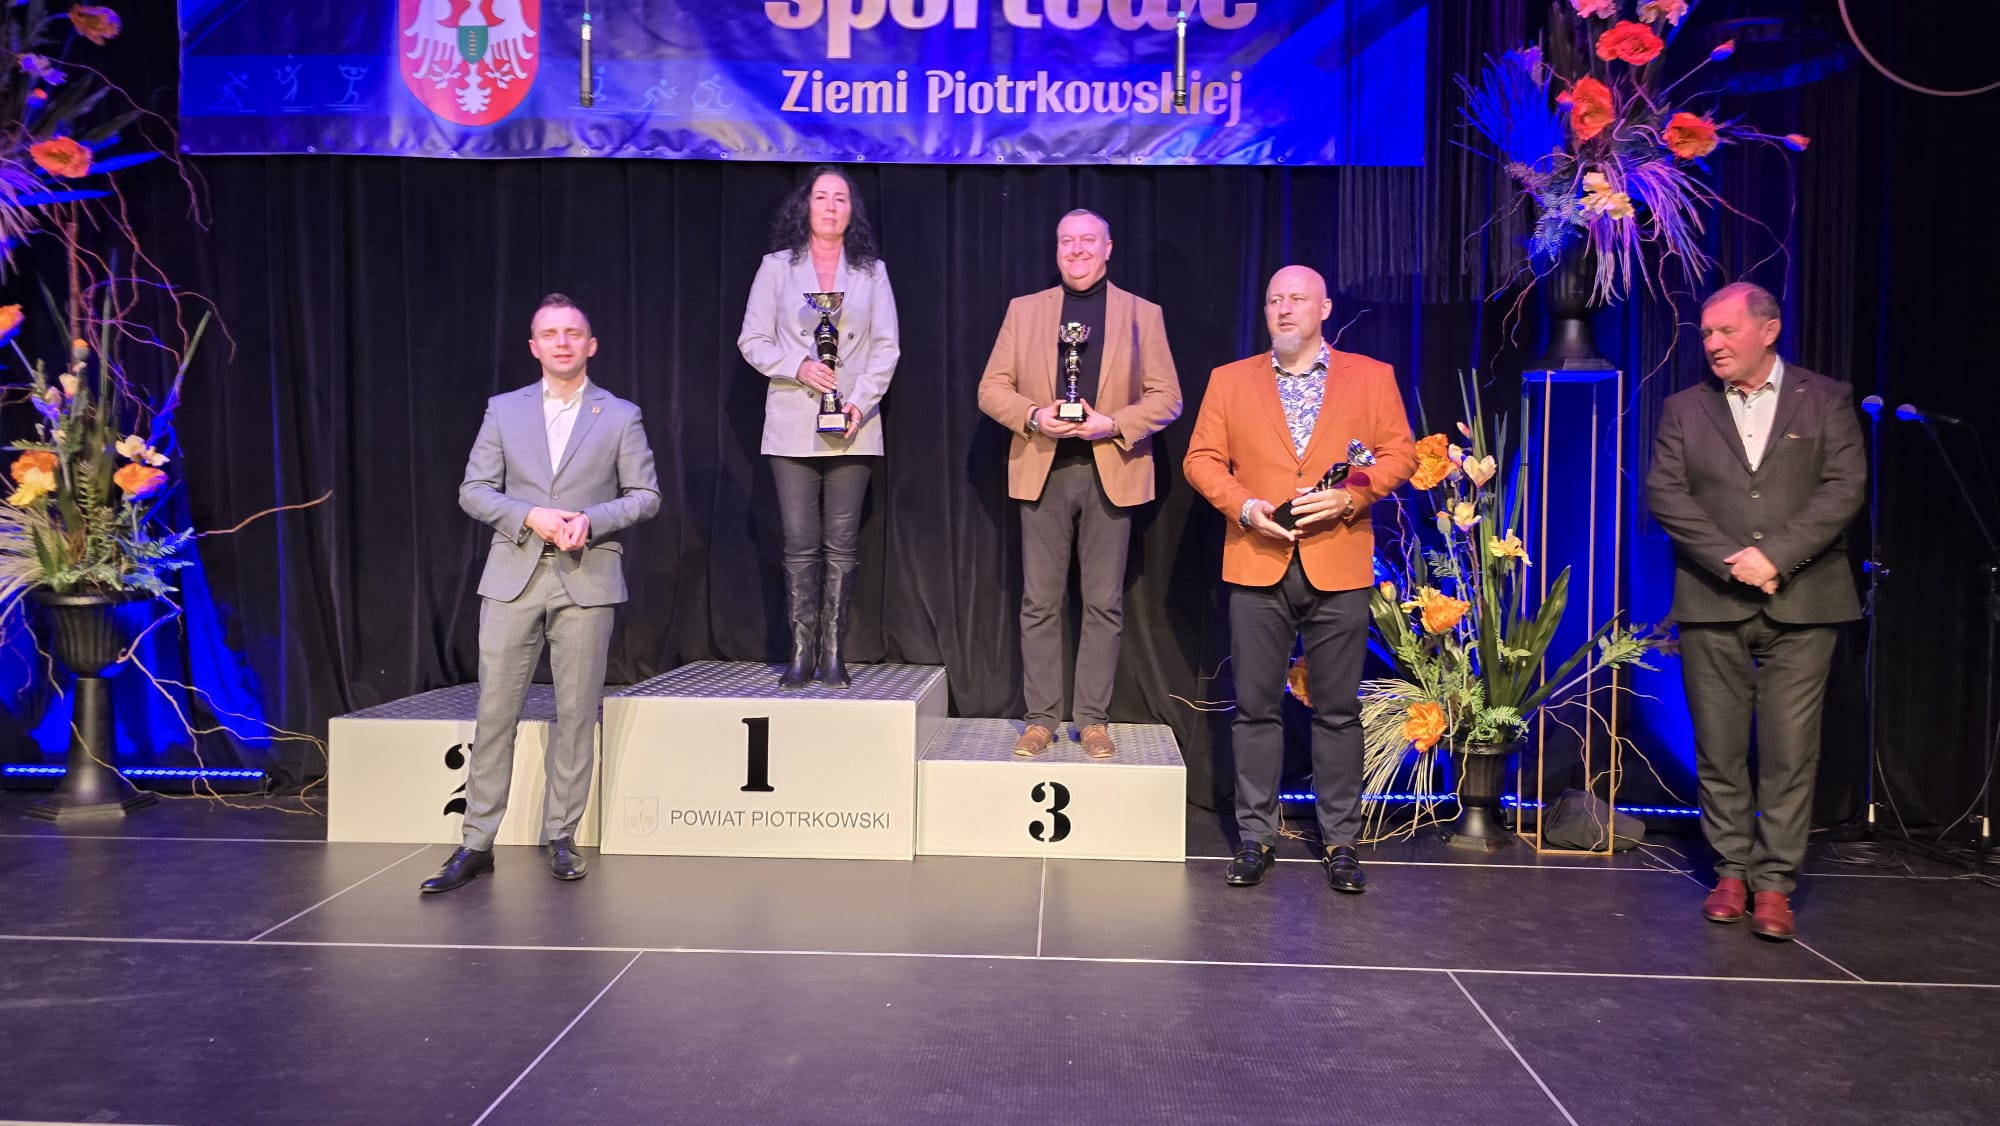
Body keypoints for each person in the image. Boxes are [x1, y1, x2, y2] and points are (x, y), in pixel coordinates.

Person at [1183, 265, 1416, 894]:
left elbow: (1400, 453)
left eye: (1296, 299)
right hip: (1257, 561)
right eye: (1273, 300)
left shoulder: (1371, 377)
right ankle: (1255, 837)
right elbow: (1200, 459)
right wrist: (1244, 507)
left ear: (1324, 309)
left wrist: (1350, 497)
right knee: (1255, 709)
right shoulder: (1230, 380)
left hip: (1338, 562)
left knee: (1338, 711)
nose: (1283, 309)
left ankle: (1341, 841)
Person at [1645, 280, 1865, 941]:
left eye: (1727, 331)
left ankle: (1774, 883)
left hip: (1805, 599)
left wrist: (1777, 557)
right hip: (1713, 598)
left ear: (1768, 331)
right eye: (1707, 333)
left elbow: (1844, 489)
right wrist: (1730, 559)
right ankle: (1732, 871)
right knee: (1717, 746)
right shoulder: (1685, 408)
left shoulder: (1826, 399)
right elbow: (1666, 493)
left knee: (1790, 751)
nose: (1713, 344)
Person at [422, 294, 661, 893]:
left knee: (576, 712)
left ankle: (562, 835)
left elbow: (645, 495)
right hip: (513, 576)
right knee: (495, 710)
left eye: (572, 333)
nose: (561, 342)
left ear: (590, 345)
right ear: (534, 347)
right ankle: (477, 843)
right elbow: (474, 489)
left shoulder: (620, 414)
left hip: (587, 576)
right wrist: (529, 514)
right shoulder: (504, 410)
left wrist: (592, 519)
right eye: (550, 334)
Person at [975, 209, 1182, 759]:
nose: (1077, 249)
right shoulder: (1024, 311)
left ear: (1108, 248)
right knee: (1038, 603)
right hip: (1042, 469)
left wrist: (1111, 424)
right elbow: (991, 388)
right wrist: (1033, 416)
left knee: (1103, 604)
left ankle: (1092, 720)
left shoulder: (1142, 314)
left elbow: (1168, 397)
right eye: (1067, 240)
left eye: (1088, 240)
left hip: (1110, 471)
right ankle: (1041, 720)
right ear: (1056, 248)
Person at [738, 165, 900, 689]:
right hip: (792, 422)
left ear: (852, 211)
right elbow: (752, 339)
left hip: (853, 423)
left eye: (841, 199)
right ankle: (801, 651)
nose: (830, 206)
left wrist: (859, 402)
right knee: (800, 541)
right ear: (805, 206)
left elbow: (886, 347)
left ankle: (833, 652)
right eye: (822, 197)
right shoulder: (776, 268)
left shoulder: (871, 271)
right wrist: (798, 366)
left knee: (843, 543)